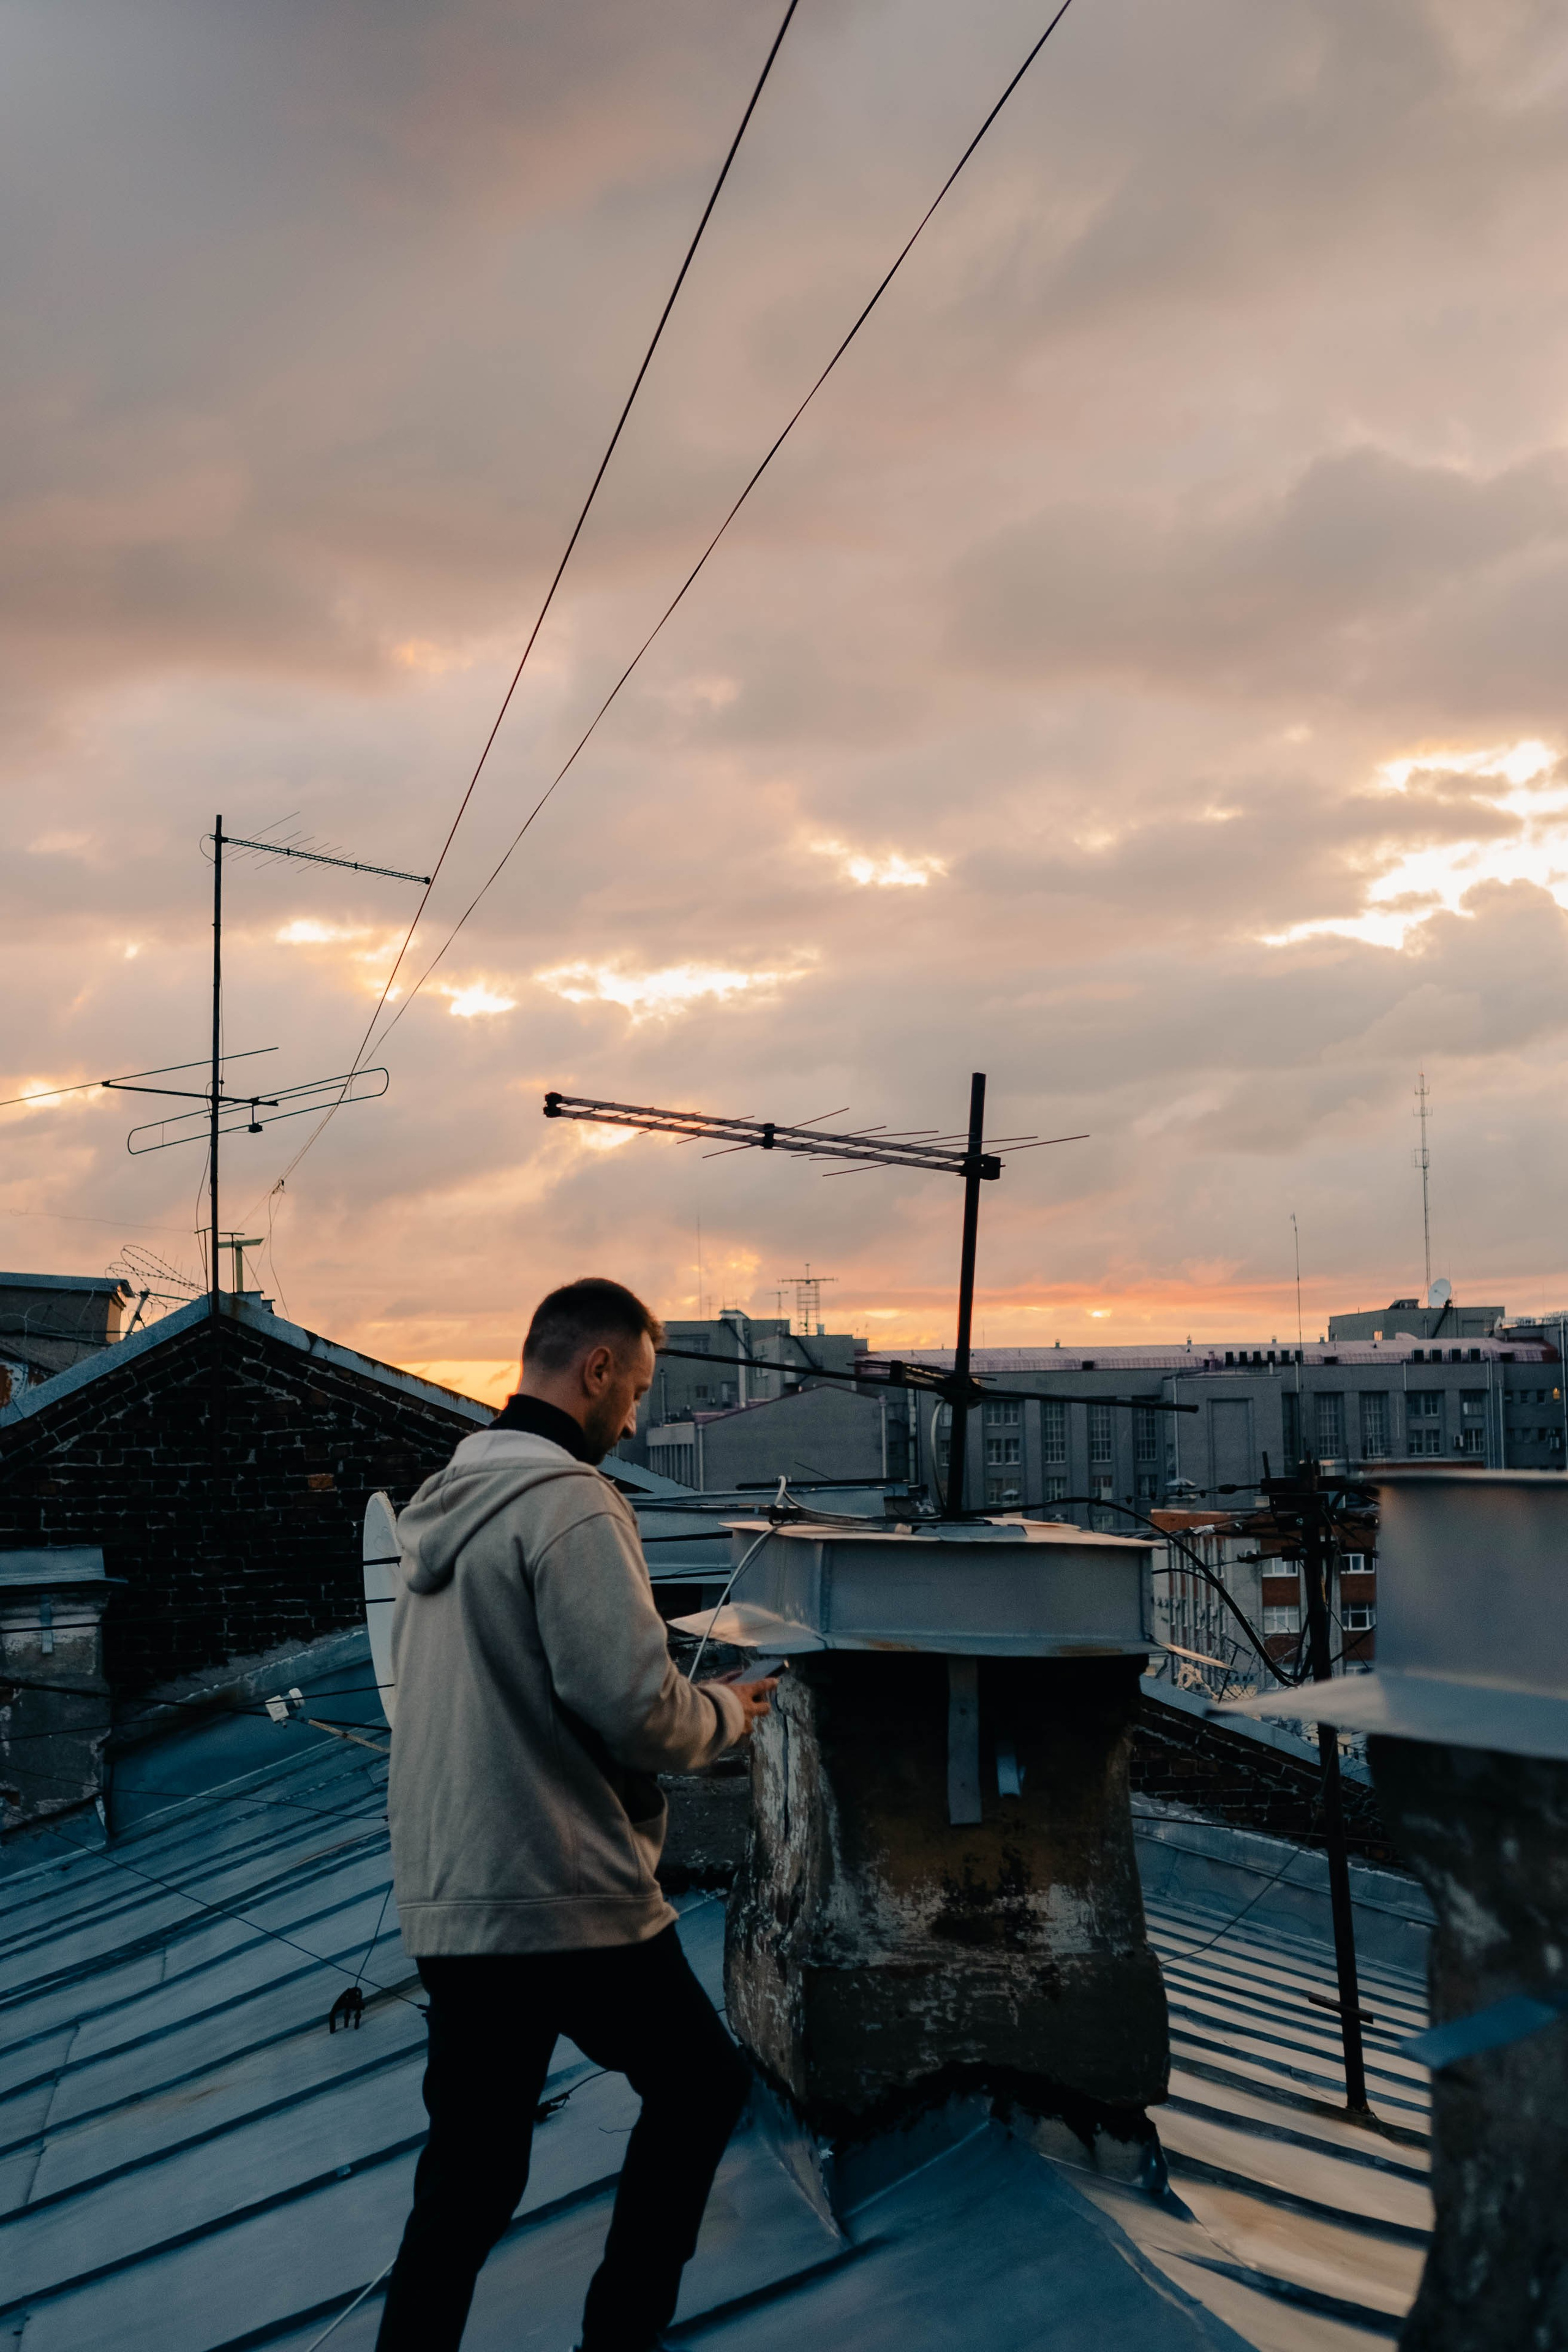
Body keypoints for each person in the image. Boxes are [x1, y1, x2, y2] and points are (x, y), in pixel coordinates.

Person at [375, 1276, 777, 2352]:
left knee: (466, 2185)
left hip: (455, 1893)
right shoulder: (572, 1503)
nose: (635, 1420)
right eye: (635, 1392)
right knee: (701, 2088)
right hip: (561, 1886)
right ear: (596, 1370)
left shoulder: (449, 1496)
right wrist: (727, 1714)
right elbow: (634, 1708)